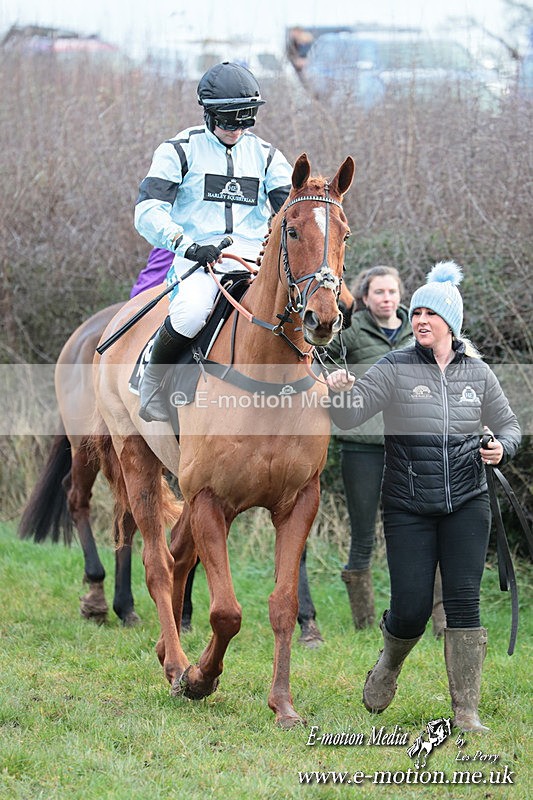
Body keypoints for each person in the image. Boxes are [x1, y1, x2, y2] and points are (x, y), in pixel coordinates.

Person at [326, 261, 521, 731]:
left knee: (463, 601)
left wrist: (501, 447)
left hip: (469, 503)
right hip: (408, 505)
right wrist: (337, 392)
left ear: (450, 323)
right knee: (411, 608)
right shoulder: (393, 367)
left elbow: (512, 425)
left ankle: (465, 712)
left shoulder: (478, 373)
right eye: (416, 315)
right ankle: (389, 664)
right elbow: (350, 418)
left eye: (429, 315)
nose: (419, 321)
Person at [134, 61, 293, 422]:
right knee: (191, 315)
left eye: (245, 120)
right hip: (197, 257)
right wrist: (186, 245)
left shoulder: (268, 156)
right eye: (227, 121)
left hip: (252, 258)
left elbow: (290, 212)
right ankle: (154, 383)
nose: (236, 129)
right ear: (208, 114)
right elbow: (147, 212)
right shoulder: (178, 150)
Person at [327, 266, 412, 630]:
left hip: (409, 445)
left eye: (392, 292)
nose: (387, 298)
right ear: (364, 298)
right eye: (379, 292)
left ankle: (428, 613)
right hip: (362, 445)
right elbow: (320, 357)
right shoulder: (351, 331)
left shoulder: (417, 329)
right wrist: (335, 381)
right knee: (363, 532)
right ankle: (363, 621)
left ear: (400, 295)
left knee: (413, 528)